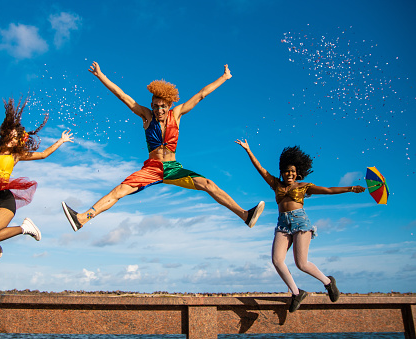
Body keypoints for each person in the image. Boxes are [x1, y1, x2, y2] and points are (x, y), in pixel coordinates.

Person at [62, 62, 264, 231]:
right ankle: (82, 218)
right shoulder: (146, 116)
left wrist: (224, 77)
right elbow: (123, 96)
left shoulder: (176, 114)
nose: (159, 109)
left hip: (173, 169)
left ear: (169, 105)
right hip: (151, 169)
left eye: (163, 106)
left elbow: (201, 95)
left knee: (209, 185)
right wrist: (100, 75)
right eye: (155, 105)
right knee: (119, 191)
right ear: (151, 105)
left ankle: (245, 215)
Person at [236, 137, 365, 312]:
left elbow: (327, 190)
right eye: (286, 171)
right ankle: (297, 293)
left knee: (301, 263)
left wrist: (350, 188)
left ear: (297, 173)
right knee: (277, 260)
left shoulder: (304, 186)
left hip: (300, 222)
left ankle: (328, 282)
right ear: (282, 172)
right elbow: (260, 169)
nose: (289, 174)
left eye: (293, 172)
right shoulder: (276, 184)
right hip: (282, 224)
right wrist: (248, 150)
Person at [0, 98, 73, 258]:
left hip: (4, 199)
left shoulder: (16, 156)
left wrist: (61, 140)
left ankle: (25, 228)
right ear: (5, 135)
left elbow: (43, 154)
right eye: (11, 136)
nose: (13, 141)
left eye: (16, 139)